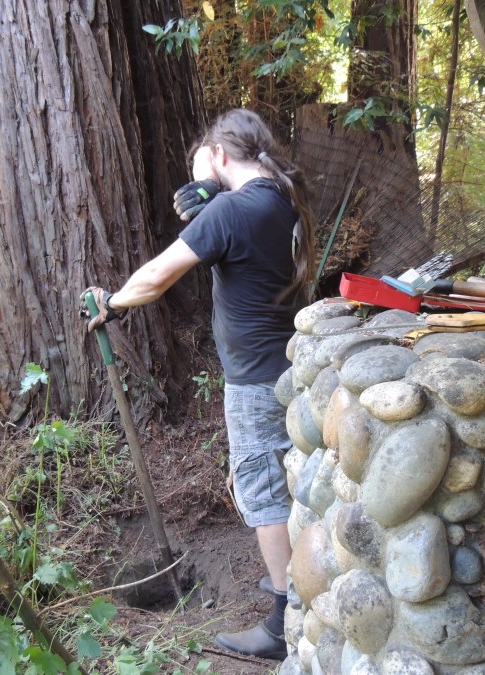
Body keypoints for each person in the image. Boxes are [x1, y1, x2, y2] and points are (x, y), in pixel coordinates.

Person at [84, 108, 315, 660]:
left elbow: (156, 277)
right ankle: (300, 578)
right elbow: (242, 231)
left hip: (255, 378)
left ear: (218, 155)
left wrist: (112, 303)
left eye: (203, 166)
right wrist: (213, 196)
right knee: (285, 476)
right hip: (287, 363)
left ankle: (284, 622)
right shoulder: (283, 196)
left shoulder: (233, 210)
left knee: (262, 490)